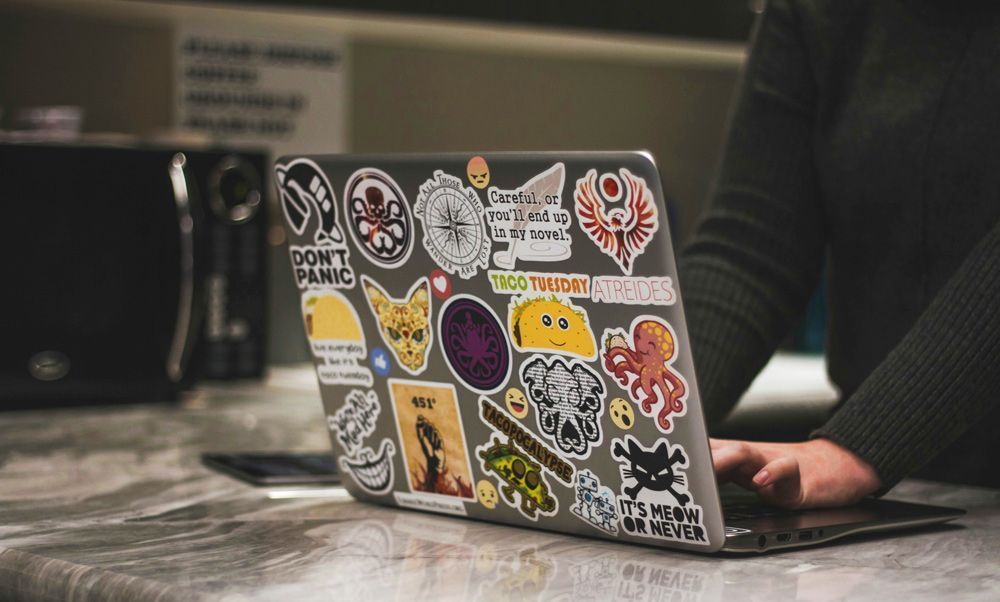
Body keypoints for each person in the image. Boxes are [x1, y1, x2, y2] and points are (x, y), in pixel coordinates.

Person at [678, 0, 1000, 508]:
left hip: (881, 460)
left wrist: (857, 448)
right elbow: (753, 247)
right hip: (899, 484)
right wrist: (649, 407)